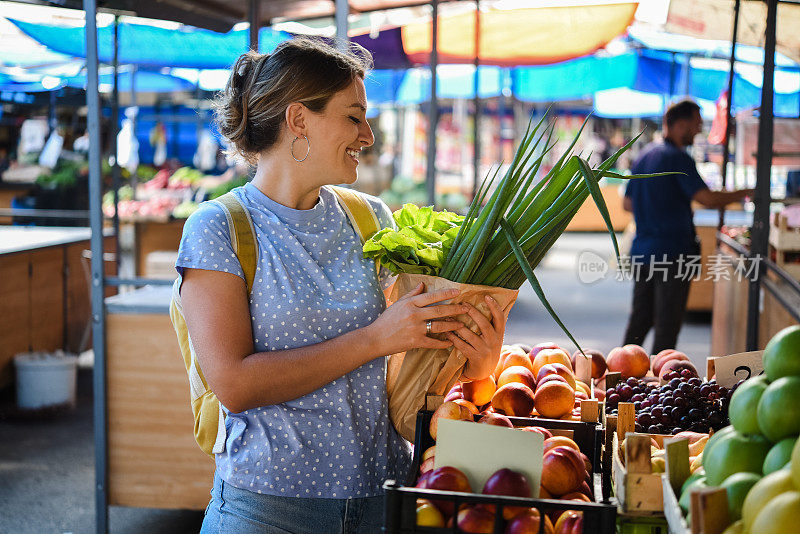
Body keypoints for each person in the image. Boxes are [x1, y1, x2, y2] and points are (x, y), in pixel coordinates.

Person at [177, 37, 505, 534]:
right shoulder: (219, 228)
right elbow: (235, 384)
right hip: (269, 512)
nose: (368, 135)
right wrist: (376, 339)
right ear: (299, 120)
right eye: (354, 117)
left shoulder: (369, 217)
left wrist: (474, 365)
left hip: (387, 501)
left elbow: (408, 370)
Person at [622, 99, 753, 354]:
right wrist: (748, 192)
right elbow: (707, 199)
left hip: (643, 253)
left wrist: (655, 208)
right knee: (667, 328)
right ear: (680, 125)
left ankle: (619, 378)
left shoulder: (646, 155)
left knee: (640, 320)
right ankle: (661, 388)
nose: (698, 130)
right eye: (696, 124)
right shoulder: (678, 159)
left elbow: (628, 204)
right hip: (673, 255)